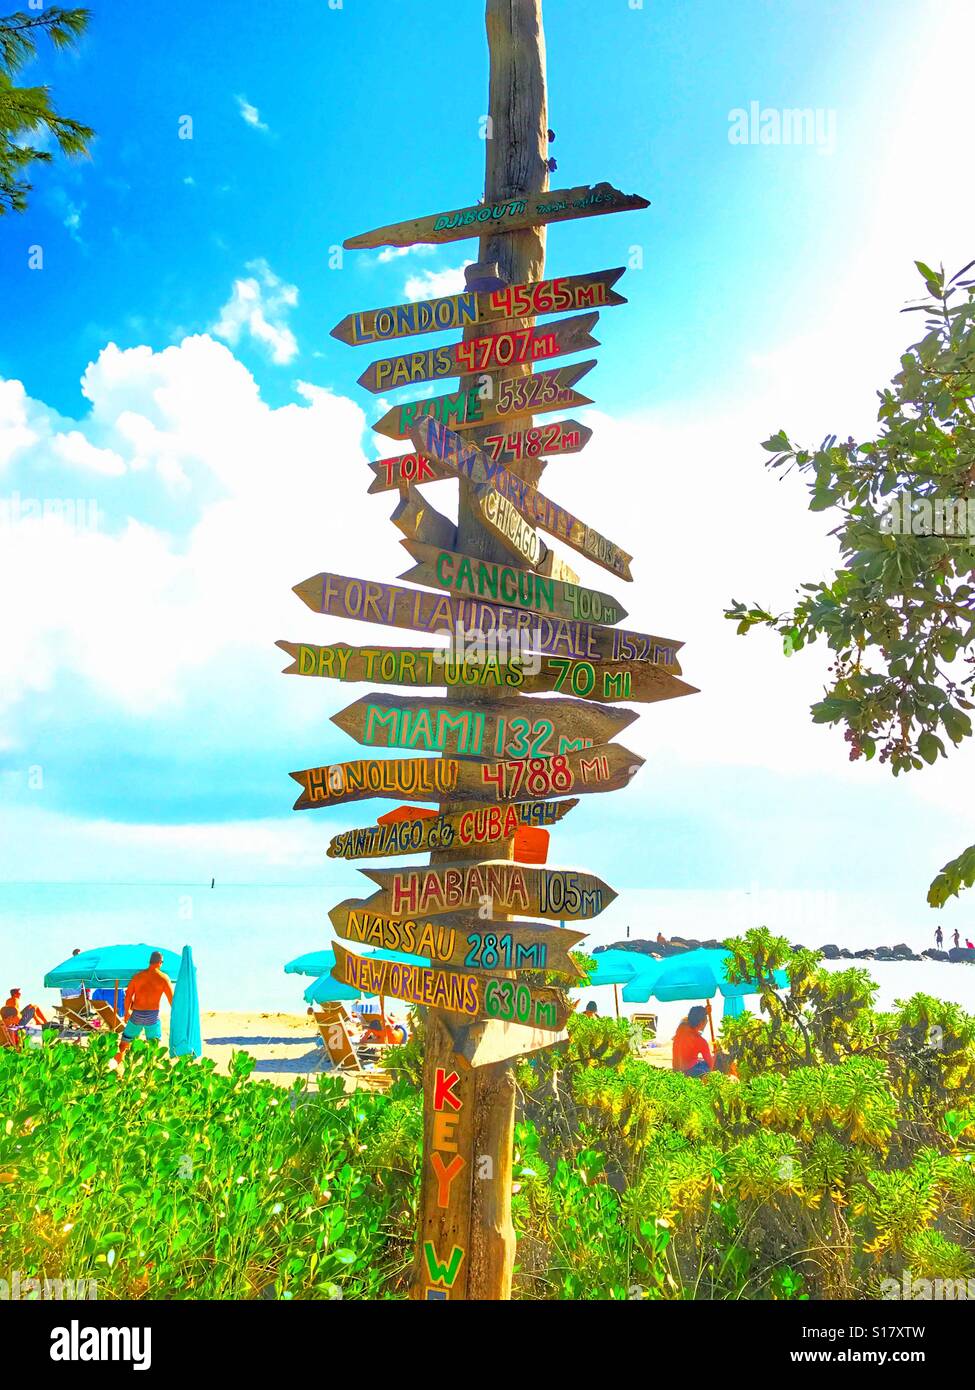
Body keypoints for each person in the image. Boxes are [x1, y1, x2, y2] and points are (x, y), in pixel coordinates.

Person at [111, 951, 173, 1073]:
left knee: (124, 1044)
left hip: (136, 1015)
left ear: (150, 962)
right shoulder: (164, 978)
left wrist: (127, 1011)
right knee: (153, 1047)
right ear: (160, 963)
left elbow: (128, 995)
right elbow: (172, 1000)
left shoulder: (138, 976)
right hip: (152, 1016)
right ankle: (150, 1073)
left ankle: (115, 1069)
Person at [672, 1005, 713, 1078]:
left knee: (701, 1062)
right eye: (706, 1020)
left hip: (676, 1070)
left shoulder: (681, 1028)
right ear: (702, 1022)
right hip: (689, 1072)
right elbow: (711, 1064)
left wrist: (704, 1012)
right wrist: (716, 1054)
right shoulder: (701, 1041)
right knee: (709, 1067)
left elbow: (694, 1022)